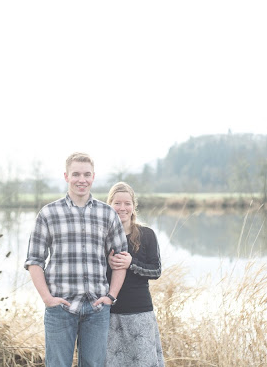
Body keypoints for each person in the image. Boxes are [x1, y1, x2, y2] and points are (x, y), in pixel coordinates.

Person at [25, 152, 128, 367]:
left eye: (87, 174)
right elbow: (34, 261)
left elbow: (121, 260)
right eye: (76, 174)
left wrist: (111, 296)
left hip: (97, 308)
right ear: (66, 176)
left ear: (93, 177)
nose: (82, 179)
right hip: (60, 308)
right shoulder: (48, 214)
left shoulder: (107, 214)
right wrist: (47, 299)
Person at [105, 182, 164, 366]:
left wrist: (132, 263)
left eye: (127, 203)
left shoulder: (147, 234)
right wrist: (107, 263)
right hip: (110, 313)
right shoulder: (102, 236)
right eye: (117, 203)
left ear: (133, 206)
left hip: (140, 312)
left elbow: (156, 271)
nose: (122, 208)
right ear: (109, 205)